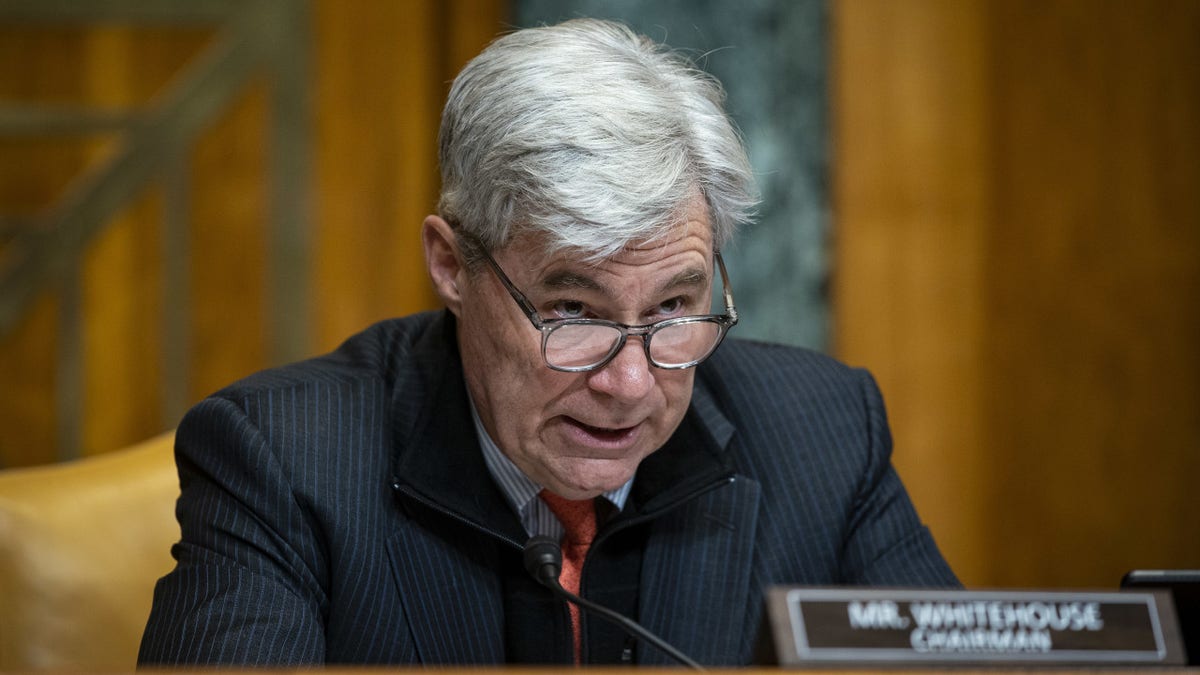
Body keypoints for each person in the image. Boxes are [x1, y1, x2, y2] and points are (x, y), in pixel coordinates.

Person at [138, 18, 957, 667]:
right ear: (452, 264)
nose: (632, 381)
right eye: (575, 311)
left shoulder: (823, 434)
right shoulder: (284, 462)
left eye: (676, 303)